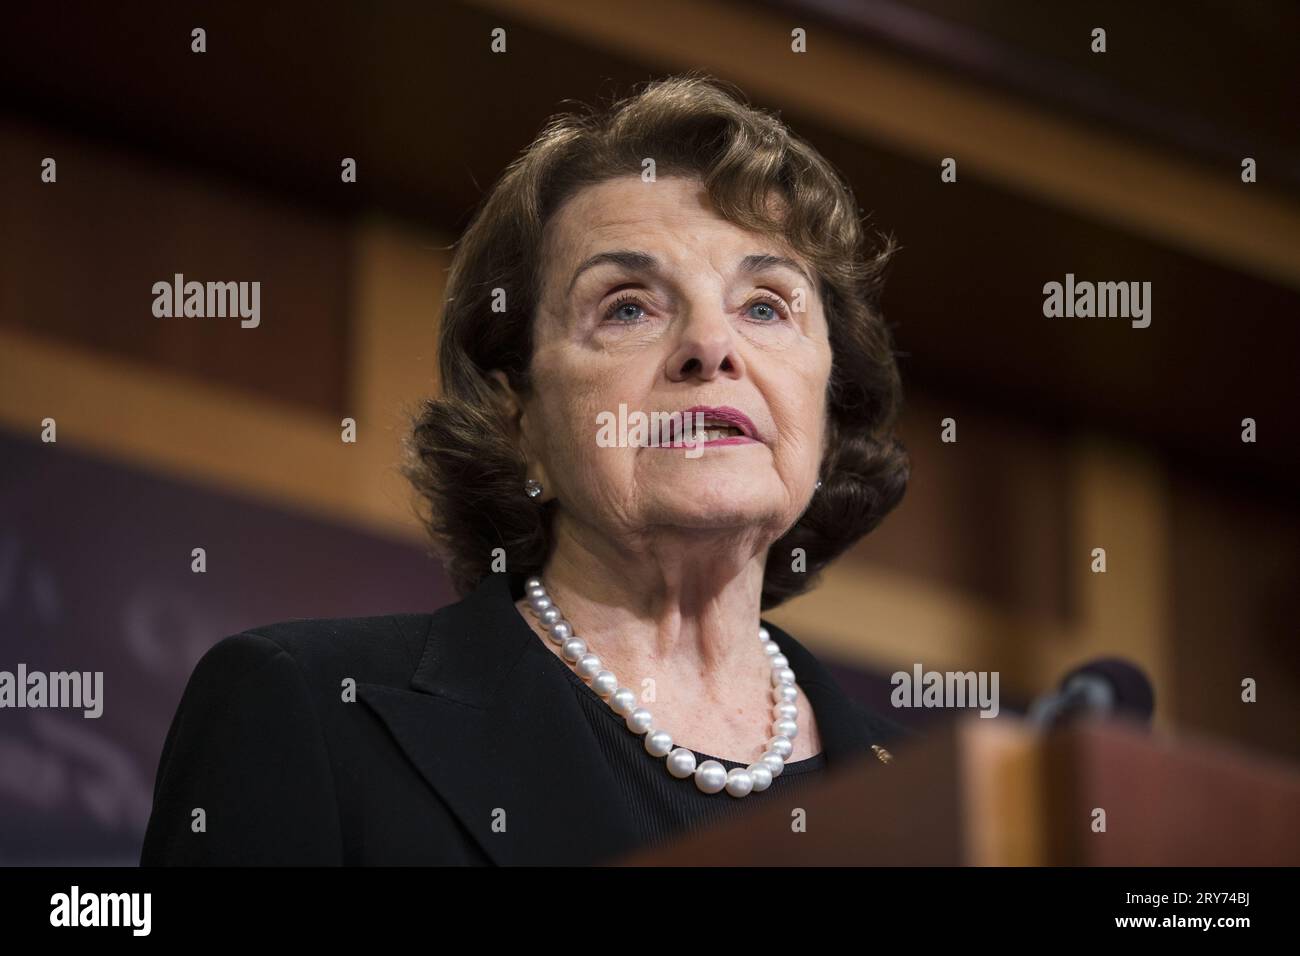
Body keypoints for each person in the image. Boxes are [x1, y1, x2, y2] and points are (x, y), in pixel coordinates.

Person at [140, 73, 911, 866]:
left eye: (764, 306)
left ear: (829, 397)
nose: (711, 346)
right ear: (517, 415)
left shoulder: (944, 811)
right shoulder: (306, 709)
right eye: (628, 307)